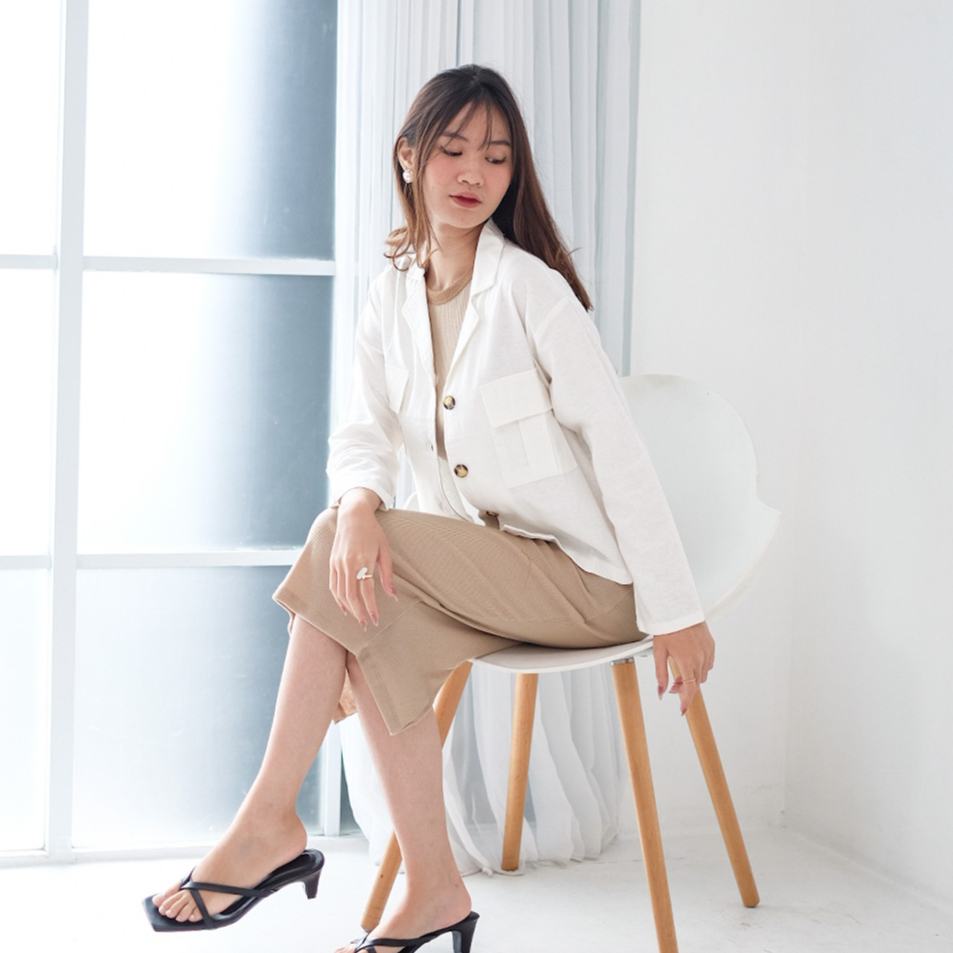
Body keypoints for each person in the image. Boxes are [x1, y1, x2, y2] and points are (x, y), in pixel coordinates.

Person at [143, 64, 715, 953]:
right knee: (372, 619)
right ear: (408, 157)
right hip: (478, 572)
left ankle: (266, 821)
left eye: (496, 156)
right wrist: (360, 503)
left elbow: (619, 450)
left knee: (343, 547)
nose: (473, 172)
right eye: (452, 149)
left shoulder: (531, 290)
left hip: (584, 582)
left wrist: (676, 609)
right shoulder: (391, 295)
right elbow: (362, 431)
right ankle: (436, 889)